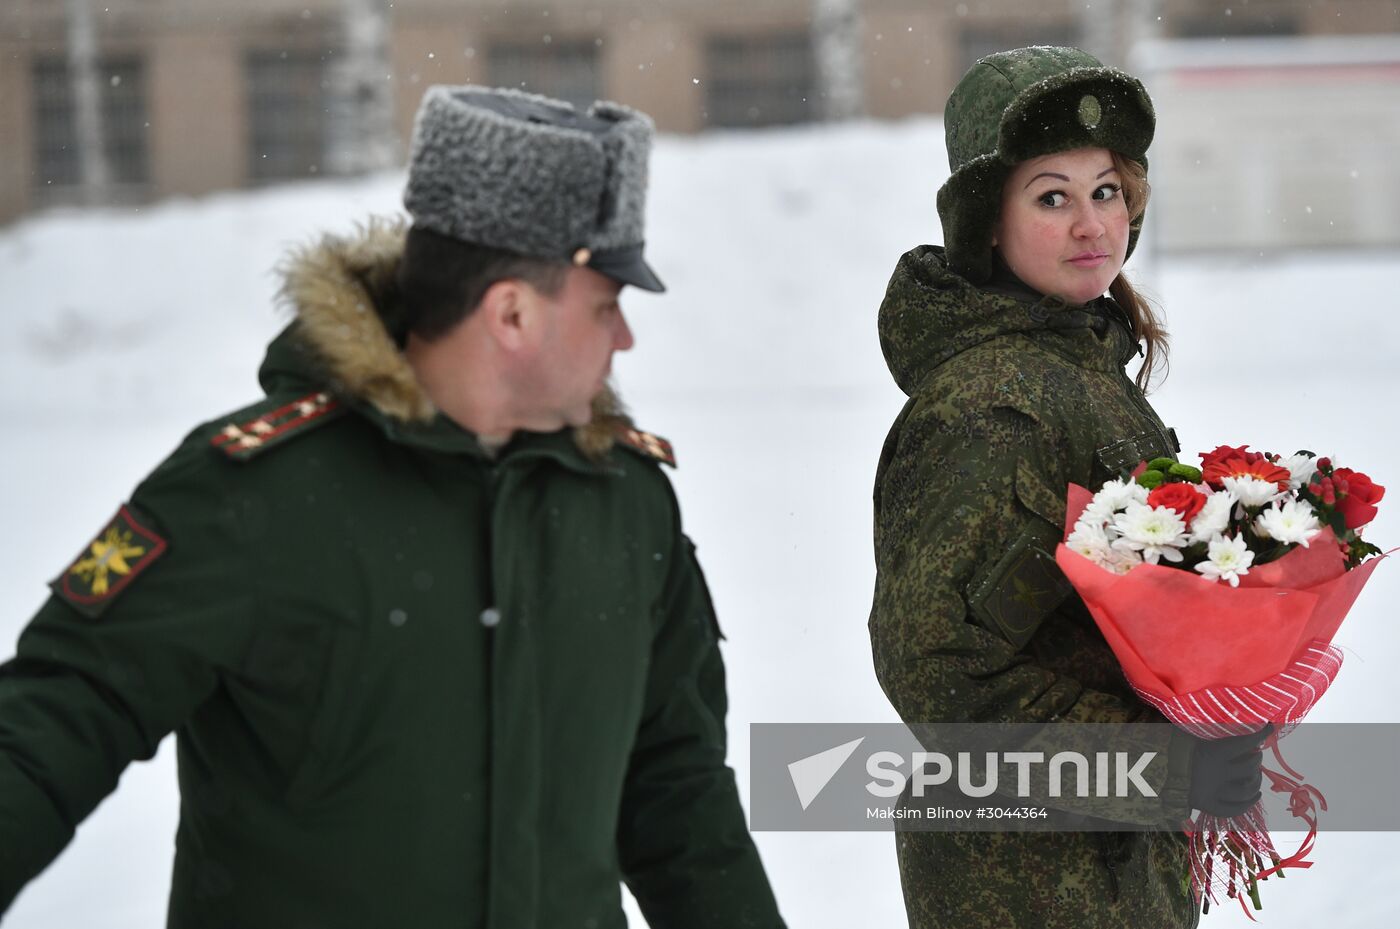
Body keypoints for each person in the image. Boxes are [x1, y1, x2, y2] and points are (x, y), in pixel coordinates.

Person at [0, 85, 786, 928]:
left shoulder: (625, 508)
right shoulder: (252, 495)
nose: (623, 338)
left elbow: (678, 792)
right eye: (606, 306)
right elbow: (52, 727)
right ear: (512, 313)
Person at [868, 47, 1266, 927]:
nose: (1092, 224)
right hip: (1029, 882)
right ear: (989, 221)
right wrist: (1160, 764)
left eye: (1107, 191)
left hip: (1105, 861)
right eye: (1052, 196)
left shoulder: (1073, 364)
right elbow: (941, 674)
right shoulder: (1001, 406)